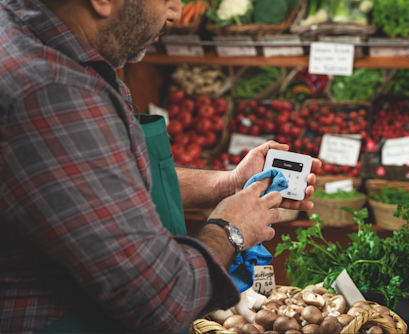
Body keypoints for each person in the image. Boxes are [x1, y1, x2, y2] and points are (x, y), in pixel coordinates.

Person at [0, 0, 322, 333]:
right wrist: (230, 229)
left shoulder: (26, 36)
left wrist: (227, 184)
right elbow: (163, 297)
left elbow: (100, 185)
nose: (177, 12)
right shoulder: (54, 94)